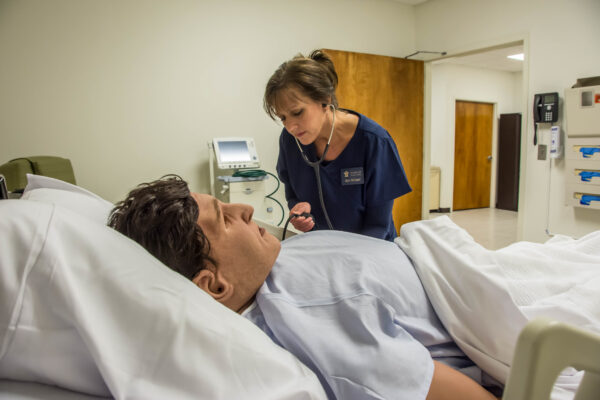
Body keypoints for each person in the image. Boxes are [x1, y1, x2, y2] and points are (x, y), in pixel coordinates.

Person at [108, 175, 497, 400]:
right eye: (224, 219)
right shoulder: (303, 313)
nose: (243, 210)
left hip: (451, 261)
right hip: (483, 292)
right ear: (215, 285)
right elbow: (434, 389)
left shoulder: (269, 266)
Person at [263, 49, 411, 241]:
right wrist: (298, 212)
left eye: (298, 112)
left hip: (372, 250)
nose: (290, 126)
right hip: (325, 248)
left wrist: (346, 258)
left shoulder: (374, 142)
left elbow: (378, 225)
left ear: (325, 99)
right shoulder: (290, 141)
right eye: (283, 118)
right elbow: (292, 193)